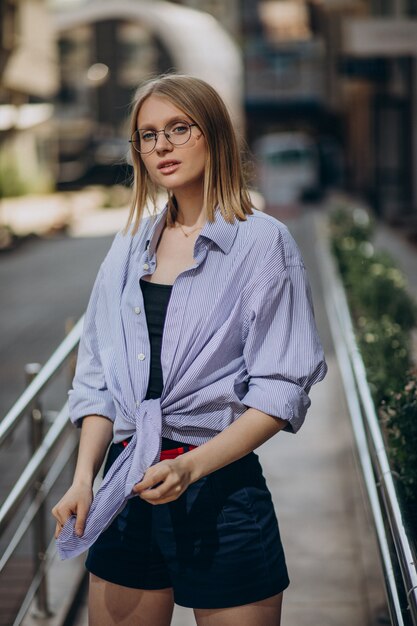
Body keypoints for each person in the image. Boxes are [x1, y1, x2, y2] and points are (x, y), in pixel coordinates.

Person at [52, 73, 327, 626]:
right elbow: (99, 379)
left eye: (179, 128)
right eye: (148, 135)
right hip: (127, 483)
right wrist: (84, 480)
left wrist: (191, 467)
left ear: (214, 134)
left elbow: (280, 390)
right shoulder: (130, 245)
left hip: (221, 492)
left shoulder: (263, 243)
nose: (162, 146)